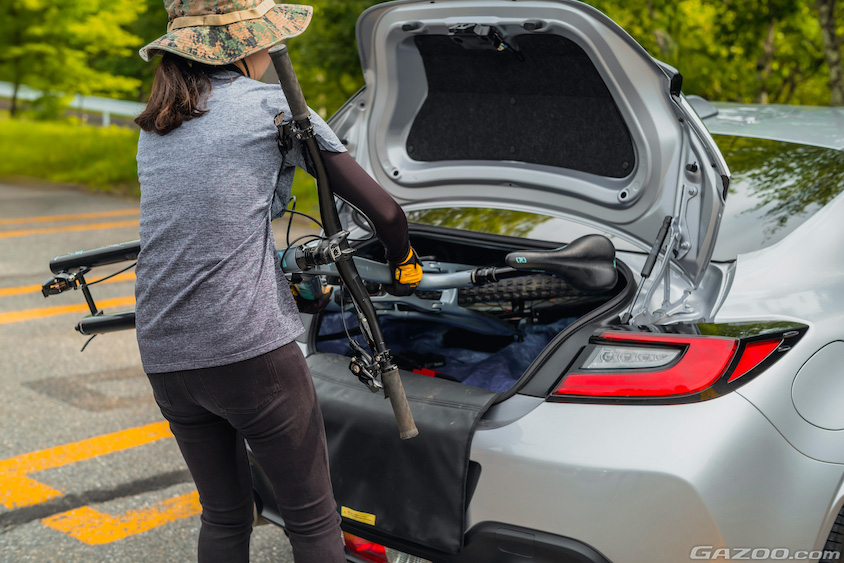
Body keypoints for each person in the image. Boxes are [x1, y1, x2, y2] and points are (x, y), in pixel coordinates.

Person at [132, 2, 422, 562]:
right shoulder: (273, 106)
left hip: (164, 351)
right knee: (312, 520)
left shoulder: (160, 121)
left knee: (224, 515)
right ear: (247, 45)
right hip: (248, 351)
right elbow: (386, 214)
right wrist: (403, 259)